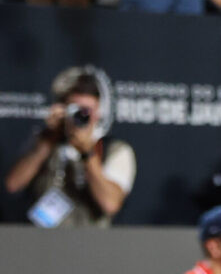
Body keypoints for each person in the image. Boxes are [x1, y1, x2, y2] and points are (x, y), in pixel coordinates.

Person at [3, 66, 136, 227]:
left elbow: (110, 204)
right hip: (41, 243)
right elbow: (13, 185)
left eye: (87, 111)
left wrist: (87, 153)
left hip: (92, 246)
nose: (82, 116)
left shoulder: (115, 149)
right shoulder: (45, 141)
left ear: (99, 112)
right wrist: (48, 141)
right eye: (75, 110)